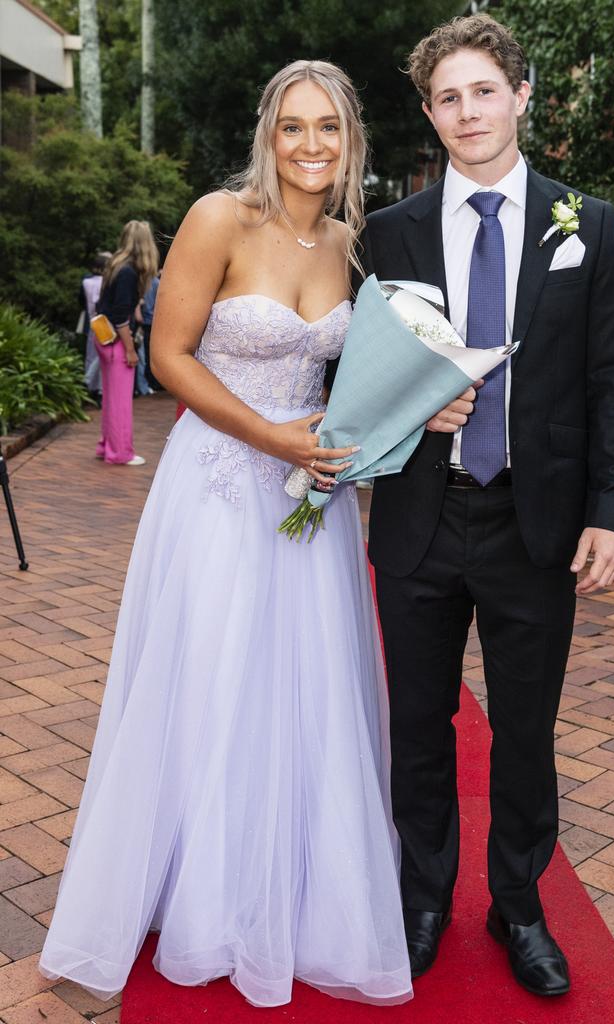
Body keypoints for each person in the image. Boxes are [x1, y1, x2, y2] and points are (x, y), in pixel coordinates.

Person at [39, 61, 412, 1008]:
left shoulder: (344, 242)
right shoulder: (219, 217)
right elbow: (167, 355)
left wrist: (385, 416)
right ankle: (193, 891)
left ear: (351, 137)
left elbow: (342, 380)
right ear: (267, 133)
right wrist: (271, 435)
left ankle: (280, 878)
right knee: (207, 672)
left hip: (307, 500)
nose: (312, 145)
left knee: (300, 681)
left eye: (329, 127)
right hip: (214, 486)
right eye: (294, 127)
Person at [361, 14, 614, 996]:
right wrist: (413, 405)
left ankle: (518, 905)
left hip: (539, 521)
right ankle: (423, 894)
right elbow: (364, 386)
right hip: (419, 516)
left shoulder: (588, 225)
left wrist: (612, 510)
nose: (467, 111)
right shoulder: (388, 231)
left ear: (522, 97)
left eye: (484, 91)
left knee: (525, 726)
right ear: (430, 114)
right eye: (448, 96)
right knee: (418, 722)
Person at [95, 221, 160, 465]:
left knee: (111, 399)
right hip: (116, 340)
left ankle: (107, 446)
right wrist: (131, 350)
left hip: (103, 336)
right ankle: (120, 452)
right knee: (121, 401)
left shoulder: (115, 265)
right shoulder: (129, 272)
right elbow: (121, 316)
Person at [79, 252, 111, 399]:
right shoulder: (107, 283)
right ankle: (98, 388)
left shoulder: (86, 282)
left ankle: (89, 385)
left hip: (91, 321)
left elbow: (81, 302)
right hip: (104, 322)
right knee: (103, 355)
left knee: (91, 354)